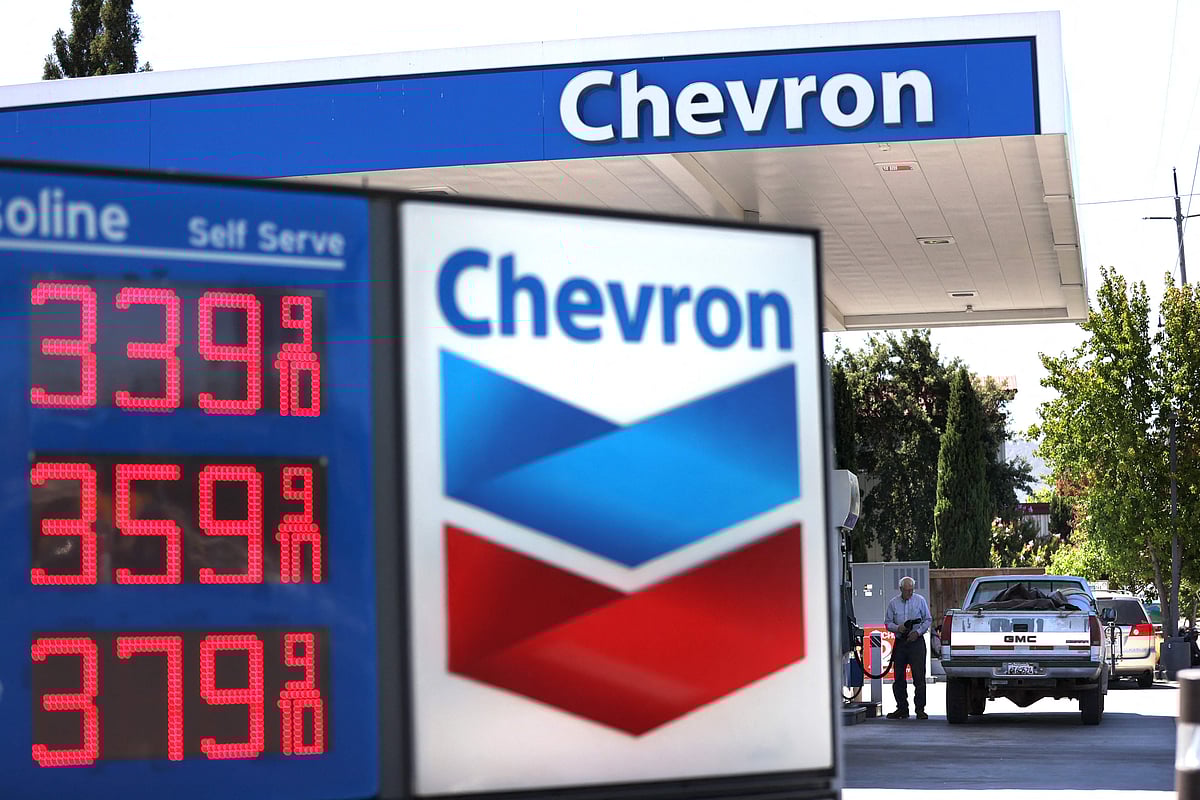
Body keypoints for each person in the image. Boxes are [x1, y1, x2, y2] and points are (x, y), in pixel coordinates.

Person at [885, 576, 932, 720]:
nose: (910, 593)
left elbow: (928, 619)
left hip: (916, 642)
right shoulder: (893, 603)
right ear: (901, 590)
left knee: (919, 677)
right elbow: (888, 622)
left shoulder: (920, 601)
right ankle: (902, 709)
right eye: (907, 591)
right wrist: (898, 628)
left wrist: (917, 632)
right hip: (901, 642)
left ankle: (920, 709)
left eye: (911, 590)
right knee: (898, 677)